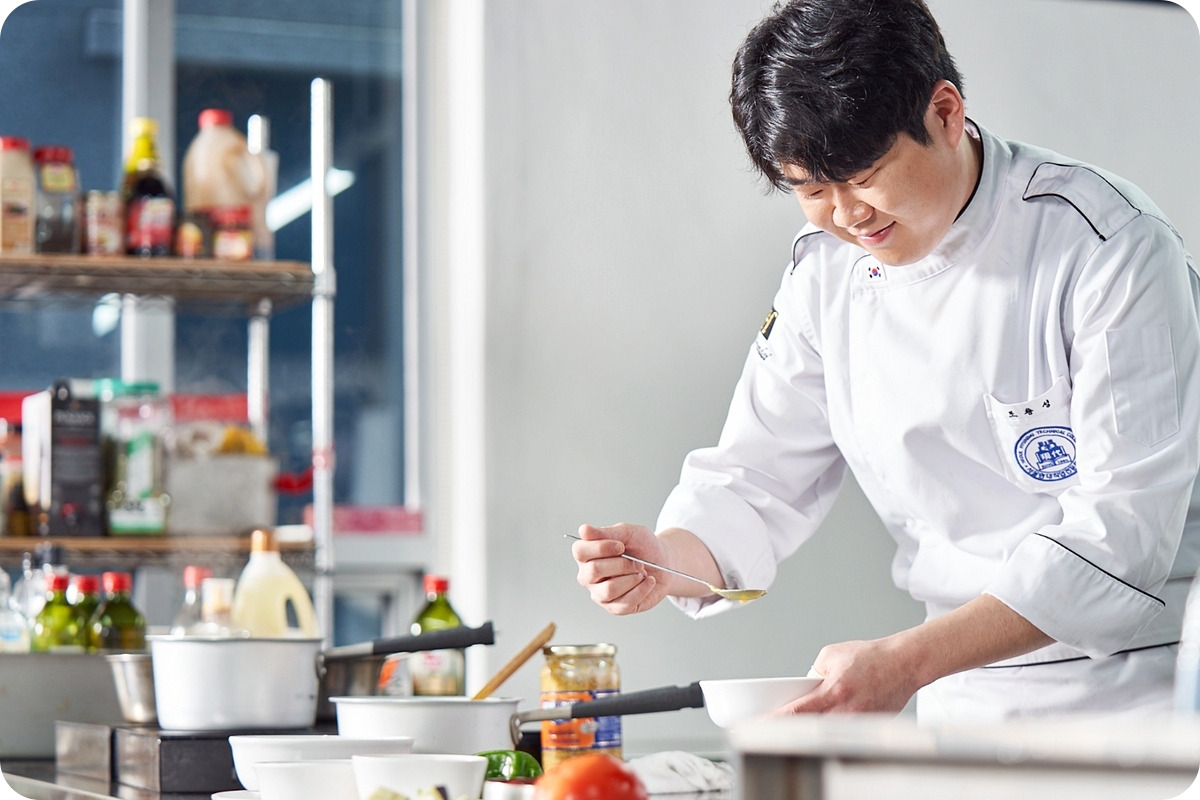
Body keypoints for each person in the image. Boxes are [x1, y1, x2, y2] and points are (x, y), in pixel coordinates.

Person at [571, 0, 1200, 722]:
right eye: (812, 190)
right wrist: (663, 560)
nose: (847, 215)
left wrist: (906, 662)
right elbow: (756, 480)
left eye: (864, 176)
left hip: (1142, 693)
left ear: (945, 113)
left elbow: (1122, 538)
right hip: (959, 694)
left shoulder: (1108, 246)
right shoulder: (825, 274)